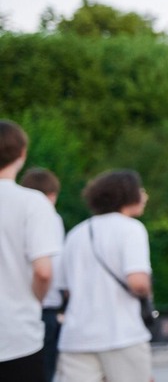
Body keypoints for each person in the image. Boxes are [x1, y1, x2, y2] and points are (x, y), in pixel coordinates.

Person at [56, 169, 153, 382]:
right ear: (128, 195)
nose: (145, 195)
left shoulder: (76, 233)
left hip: (76, 337)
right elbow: (138, 282)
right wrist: (147, 291)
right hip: (121, 334)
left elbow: (65, 290)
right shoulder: (131, 229)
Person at [0, 121, 62, 382]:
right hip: (18, 334)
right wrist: (36, 297)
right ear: (22, 154)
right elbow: (43, 272)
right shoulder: (32, 202)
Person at [19, 166, 67, 382]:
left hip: (13, 308)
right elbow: (49, 269)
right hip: (43, 305)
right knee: (43, 371)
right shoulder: (48, 216)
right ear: (51, 195)